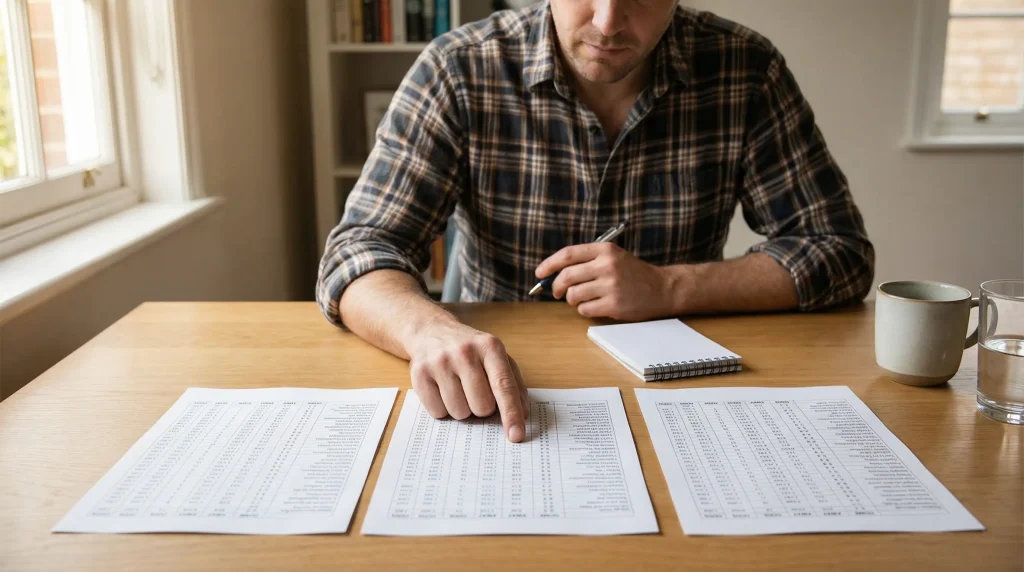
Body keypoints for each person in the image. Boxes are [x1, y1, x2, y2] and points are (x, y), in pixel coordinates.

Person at [316, 0, 875, 444]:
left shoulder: (744, 68)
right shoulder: (459, 68)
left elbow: (839, 250)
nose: (608, 22)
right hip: (503, 387)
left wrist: (668, 286)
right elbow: (357, 252)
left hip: (684, 396)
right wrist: (427, 331)